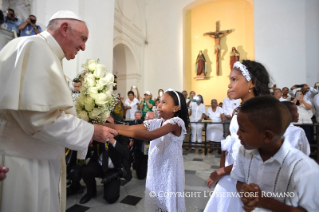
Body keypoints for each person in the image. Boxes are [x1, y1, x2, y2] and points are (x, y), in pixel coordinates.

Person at [0, 10, 117, 212]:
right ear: (64, 29)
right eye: (82, 38)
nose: (83, 46)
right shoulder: (34, 47)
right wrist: (90, 131)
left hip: (39, 158)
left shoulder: (44, 52)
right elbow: (39, 119)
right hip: (26, 165)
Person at [105, 89, 189, 212]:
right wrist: (105, 126)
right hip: (156, 169)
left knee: (167, 202)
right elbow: (130, 127)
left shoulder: (176, 123)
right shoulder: (156, 122)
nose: (158, 105)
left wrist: (115, 131)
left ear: (176, 108)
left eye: (164, 102)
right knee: (156, 202)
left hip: (169, 171)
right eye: (159, 102)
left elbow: (150, 135)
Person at [204, 60, 271, 212]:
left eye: (234, 79)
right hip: (230, 172)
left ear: (252, 83)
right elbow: (228, 142)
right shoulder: (239, 111)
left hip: (246, 177)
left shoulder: (259, 114)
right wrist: (222, 169)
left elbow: (255, 158)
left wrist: (222, 171)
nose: (229, 85)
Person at [232, 96, 319, 212]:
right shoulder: (244, 152)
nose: (237, 134)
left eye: (242, 130)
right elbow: (240, 180)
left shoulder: (304, 169)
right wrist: (247, 192)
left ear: (267, 136)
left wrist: (266, 202)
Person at [80, 116, 132, 204]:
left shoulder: (121, 135)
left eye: (109, 124)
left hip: (113, 169)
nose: (107, 127)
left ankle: (110, 183)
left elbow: (126, 154)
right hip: (99, 165)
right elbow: (90, 147)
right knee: (86, 171)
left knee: (110, 198)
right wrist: (89, 140)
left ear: (114, 125)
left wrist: (111, 140)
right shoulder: (99, 134)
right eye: (105, 124)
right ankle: (91, 192)